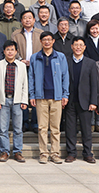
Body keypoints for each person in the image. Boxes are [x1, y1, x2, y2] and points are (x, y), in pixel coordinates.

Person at [28, 31, 69, 164]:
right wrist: (32, 94)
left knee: (55, 128)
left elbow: (65, 76)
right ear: (41, 42)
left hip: (56, 97)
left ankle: (55, 153)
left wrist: (65, 94)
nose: (47, 42)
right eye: (44, 40)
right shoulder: (35, 57)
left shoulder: (60, 57)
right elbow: (31, 77)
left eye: (49, 39)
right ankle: (43, 153)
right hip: (41, 97)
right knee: (42, 127)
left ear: (53, 41)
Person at [0, 40, 28, 163]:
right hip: (3, 100)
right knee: (3, 128)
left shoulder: (21, 66)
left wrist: (24, 100)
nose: (10, 52)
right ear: (4, 51)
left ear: (16, 51)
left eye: (12, 50)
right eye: (7, 49)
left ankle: (18, 152)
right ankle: (5, 151)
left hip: (17, 100)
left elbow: (25, 84)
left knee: (18, 128)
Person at [63, 37, 98, 163]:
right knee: (70, 129)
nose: (78, 47)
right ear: (72, 46)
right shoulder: (66, 61)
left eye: (81, 45)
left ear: (84, 47)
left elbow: (94, 84)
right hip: (70, 100)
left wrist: (93, 101)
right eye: (76, 45)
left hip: (85, 101)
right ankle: (71, 153)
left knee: (86, 129)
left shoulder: (91, 63)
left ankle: (88, 153)